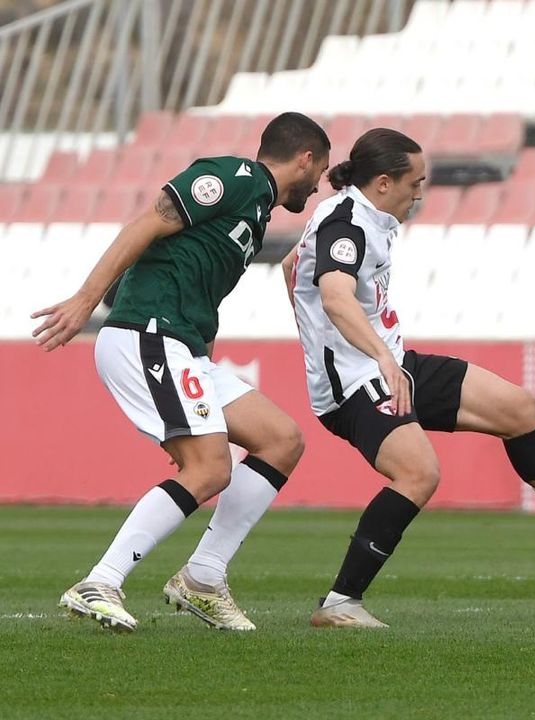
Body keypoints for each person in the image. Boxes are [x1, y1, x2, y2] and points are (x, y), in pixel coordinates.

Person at [281, 128, 535, 628]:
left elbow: (292, 267)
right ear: (382, 183)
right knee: (419, 473)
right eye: (414, 182)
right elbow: (333, 296)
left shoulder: (363, 217)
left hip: (393, 364)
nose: (419, 192)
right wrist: (367, 356)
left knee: (521, 411)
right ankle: (339, 602)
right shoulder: (347, 225)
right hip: (356, 384)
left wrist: (335, 339)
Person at [32, 112, 331, 632]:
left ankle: (203, 577)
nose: (318, 183)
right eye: (321, 171)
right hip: (148, 334)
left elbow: (202, 286)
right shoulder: (234, 178)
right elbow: (148, 222)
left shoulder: (257, 212)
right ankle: (100, 581)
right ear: (305, 158)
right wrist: (86, 302)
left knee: (281, 439)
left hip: (186, 346)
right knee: (211, 468)